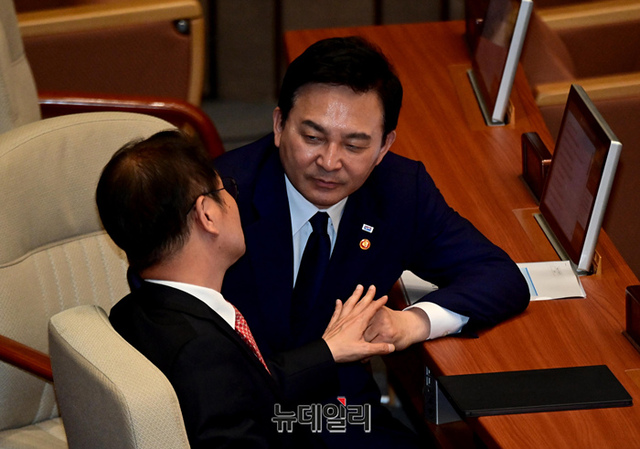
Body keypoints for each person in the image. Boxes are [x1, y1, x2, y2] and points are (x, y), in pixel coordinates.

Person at [214, 36, 530, 447]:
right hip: (243, 420)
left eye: (354, 145)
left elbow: (500, 276)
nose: (329, 162)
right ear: (279, 126)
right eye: (312, 137)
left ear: (384, 147)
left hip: (341, 413)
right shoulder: (222, 197)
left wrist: (411, 323)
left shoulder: (400, 191)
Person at [96, 130, 395, 448]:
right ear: (207, 215)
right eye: (225, 189)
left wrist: (328, 350)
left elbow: (242, 388)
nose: (233, 199)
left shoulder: (131, 312)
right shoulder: (202, 353)